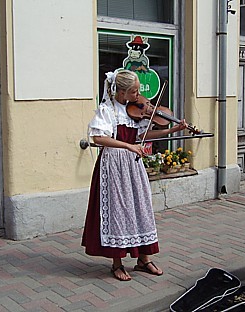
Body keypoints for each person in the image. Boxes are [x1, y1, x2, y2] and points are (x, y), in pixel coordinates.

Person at [82, 69, 188, 281]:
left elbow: (143, 133)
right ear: (121, 92)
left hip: (132, 166)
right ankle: (117, 263)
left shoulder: (135, 111)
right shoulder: (107, 110)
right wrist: (128, 146)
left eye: (138, 90)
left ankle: (144, 259)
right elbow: (98, 138)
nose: (139, 96)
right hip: (113, 165)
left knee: (141, 208)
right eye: (134, 91)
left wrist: (171, 131)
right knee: (117, 211)